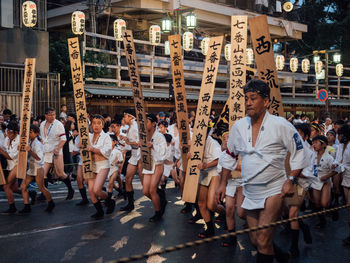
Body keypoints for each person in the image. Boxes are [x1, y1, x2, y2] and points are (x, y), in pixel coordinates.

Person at [216, 79, 307, 263]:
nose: (248, 102)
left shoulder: (281, 124)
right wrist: (222, 183)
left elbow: (299, 151)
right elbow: (229, 155)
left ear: (265, 101)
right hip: (250, 190)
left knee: (264, 240)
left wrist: (291, 180)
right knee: (256, 240)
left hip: (274, 189)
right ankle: (283, 256)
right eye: (246, 98)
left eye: (253, 98)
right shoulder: (239, 127)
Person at [79, 114, 114, 219]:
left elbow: (107, 152)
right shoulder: (88, 136)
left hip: (103, 165)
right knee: (91, 191)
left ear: (103, 125)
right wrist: (81, 145)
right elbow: (81, 147)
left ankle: (110, 201)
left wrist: (93, 149)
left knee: (97, 189)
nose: (96, 125)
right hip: (91, 165)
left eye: (99, 123)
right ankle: (99, 211)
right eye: (94, 123)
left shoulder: (106, 136)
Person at [196, 126, 226, 238]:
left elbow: (219, 159)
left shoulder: (212, 143)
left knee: (211, 204)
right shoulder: (195, 141)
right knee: (201, 203)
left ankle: (226, 213)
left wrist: (206, 165)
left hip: (214, 172)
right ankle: (209, 228)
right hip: (203, 173)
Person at [40, 108, 74, 200]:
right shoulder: (42, 124)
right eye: (50, 114)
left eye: (54, 114)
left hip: (57, 151)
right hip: (46, 151)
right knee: (42, 173)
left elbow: (63, 139)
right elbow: (42, 137)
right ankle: (44, 193)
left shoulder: (58, 124)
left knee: (60, 173)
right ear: (45, 115)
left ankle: (70, 189)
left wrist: (58, 148)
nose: (52, 116)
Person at [19, 125, 55, 213]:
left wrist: (30, 150)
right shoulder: (29, 141)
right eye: (29, 132)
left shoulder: (38, 144)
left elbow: (39, 158)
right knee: (23, 186)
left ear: (36, 133)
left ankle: (51, 203)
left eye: (31, 132)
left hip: (38, 168)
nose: (29, 134)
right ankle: (27, 206)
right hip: (31, 167)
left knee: (41, 187)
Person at [142, 113, 167, 222]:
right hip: (148, 164)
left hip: (158, 164)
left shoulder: (159, 136)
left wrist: (153, 146)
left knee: (152, 190)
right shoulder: (143, 135)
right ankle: (161, 199)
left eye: (146, 122)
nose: (144, 124)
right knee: (145, 191)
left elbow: (163, 153)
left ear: (153, 124)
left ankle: (158, 213)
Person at [119, 109, 143, 212]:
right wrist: (125, 139)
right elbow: (131, 142)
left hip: (140, 155)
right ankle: (130, 203)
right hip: (133, 154)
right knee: (128, 178)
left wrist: (128, 142)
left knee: (145, 184)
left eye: (125, 116)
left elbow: (139, 143)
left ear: (130, 117)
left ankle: (160, 200)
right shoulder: (130, 127)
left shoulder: (136, 126)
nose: (124, 118)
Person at [310, 135, 336, 228]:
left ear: (323, 144)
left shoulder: (329, 158)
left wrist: (327, 176)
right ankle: (322, 221)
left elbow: (336, 171)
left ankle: (332, 208)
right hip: (315, 180)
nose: (314, 145)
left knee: (324, 203)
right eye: (313, 142)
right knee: (317, 203)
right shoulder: (312, 155)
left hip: (326, 181)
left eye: (316, 142)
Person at [333, 125, 350, 245]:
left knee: (349, 204)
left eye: (339, 134)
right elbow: (338, 160)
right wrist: (334, 164)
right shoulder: (340, 146)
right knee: (348, 207)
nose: (337, 137)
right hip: (345, 178)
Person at [0, 122, 20, 214]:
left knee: (6, 186)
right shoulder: (7, 138)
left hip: (18, 164)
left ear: (16, 132)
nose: (8, 134)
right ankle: (31, 193)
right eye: (7, 131)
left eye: (10, 132)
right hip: (9, 166)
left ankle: (12, 207)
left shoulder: (20, 140)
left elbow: (11, 156)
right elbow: (3, 149)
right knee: (14, 188)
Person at [107, 134, 124, 200]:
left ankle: (108, 200)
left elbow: (121, 160)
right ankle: (122, 192)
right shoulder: (106, 151)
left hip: (114, 169)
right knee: (112, 185)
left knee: (110, 184)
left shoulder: (117, 151)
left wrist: (118, 161)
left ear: (115, 142)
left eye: (110, 141)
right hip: (108, 170)